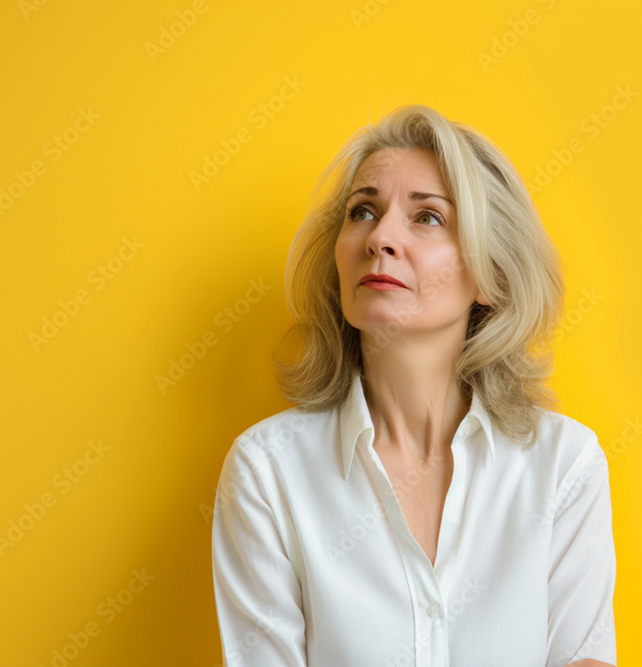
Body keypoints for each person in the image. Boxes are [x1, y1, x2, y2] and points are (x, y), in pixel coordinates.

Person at [211, 104, 617, 667]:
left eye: (427, 217)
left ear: (491, 272)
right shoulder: (267, 473)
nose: (380, 237)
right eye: (363, 211)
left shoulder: (564, 466)